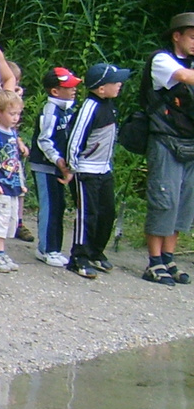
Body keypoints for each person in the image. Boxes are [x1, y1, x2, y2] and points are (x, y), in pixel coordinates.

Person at [64, 62, 129, 280]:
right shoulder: (89, 108)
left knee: (106, 212)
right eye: (115, 82)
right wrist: (72, 167)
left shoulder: (109, 105)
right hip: (86, 170)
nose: (119, 84)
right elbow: (76, 140)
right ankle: (79, 256)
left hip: (103, 170)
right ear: (101, 88)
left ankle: (95, 251)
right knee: (87, 214)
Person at [142, 12, 194, 285]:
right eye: (193, 36)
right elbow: (185, 77)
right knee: (164, 199)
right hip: (165, 139)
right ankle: (153, 261)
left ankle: (169, 257)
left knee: (184, 204)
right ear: (177, 36)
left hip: (191, 143)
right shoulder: (162, 60)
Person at [30, 66, 81, 268]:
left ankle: (54, 248)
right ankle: (46, 249)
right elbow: (44, 140)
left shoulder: (68, 109)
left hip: (59, 167)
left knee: (59, 206)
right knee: (50, 207)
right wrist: (59, 161)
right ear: (55, 91)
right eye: (68, 87)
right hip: (45, 167)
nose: (74, 90)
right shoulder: (50, 111)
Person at [0, 89, 26, 272]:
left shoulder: (13, 134)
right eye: (12, 114)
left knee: (5, 221)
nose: (15, 118)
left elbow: (15, 160)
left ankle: (0, 251)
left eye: (18, 114)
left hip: (12, 185)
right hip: (0, 185)